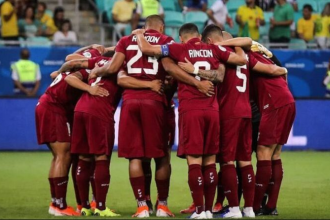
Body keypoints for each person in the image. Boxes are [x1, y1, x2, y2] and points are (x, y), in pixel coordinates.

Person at [133, 22, 250, 219]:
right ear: (199, 36)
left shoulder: (179, 48)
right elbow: (240, 59)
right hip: (213, 111)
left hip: (191, 111)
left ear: (181, 37)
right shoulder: (214, 49)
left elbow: (145, 48)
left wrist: (138, 34)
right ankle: (209, 211)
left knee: (194, 162)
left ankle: (199, 210)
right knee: (210, 162)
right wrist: (227, 43)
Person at [90, 15, 177, 218]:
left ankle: (142, 207)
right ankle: (162, 206)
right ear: (161, 27)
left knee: (135, 156)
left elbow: (113, 70)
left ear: (144, 27)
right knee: (162, 156)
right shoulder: (167, 41)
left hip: (130, 102)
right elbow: (173, 72)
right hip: (156, 102)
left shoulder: (126, 40)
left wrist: (97, 70)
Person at [35, 46, 105, 216]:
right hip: (54, 108)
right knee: (63, 155)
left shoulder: (83, 58)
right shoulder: (88, 68)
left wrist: (58, 71)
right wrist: (90, 89)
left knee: (60, 156)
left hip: (48, 105)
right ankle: (60, 206)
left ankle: (56, 202)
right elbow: (70, 72)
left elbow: (69, 58)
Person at [61, 53, 121, 217]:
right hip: (99, 112)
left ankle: (85, 206)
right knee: (101, 158)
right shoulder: (120, 65)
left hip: (80, 110)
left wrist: (89, 87)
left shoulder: (95, 64)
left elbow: (69, 77)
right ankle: (101, 207)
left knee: (84, 159)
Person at [249, 47, 295, 216]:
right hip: (286, 100)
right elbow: (279, 70)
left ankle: (254, 207)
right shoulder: (264, 55)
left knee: (263, 151)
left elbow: (274, 69)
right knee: (275, 154)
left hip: (274, 104)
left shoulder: (245, 56)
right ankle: (271, 205)